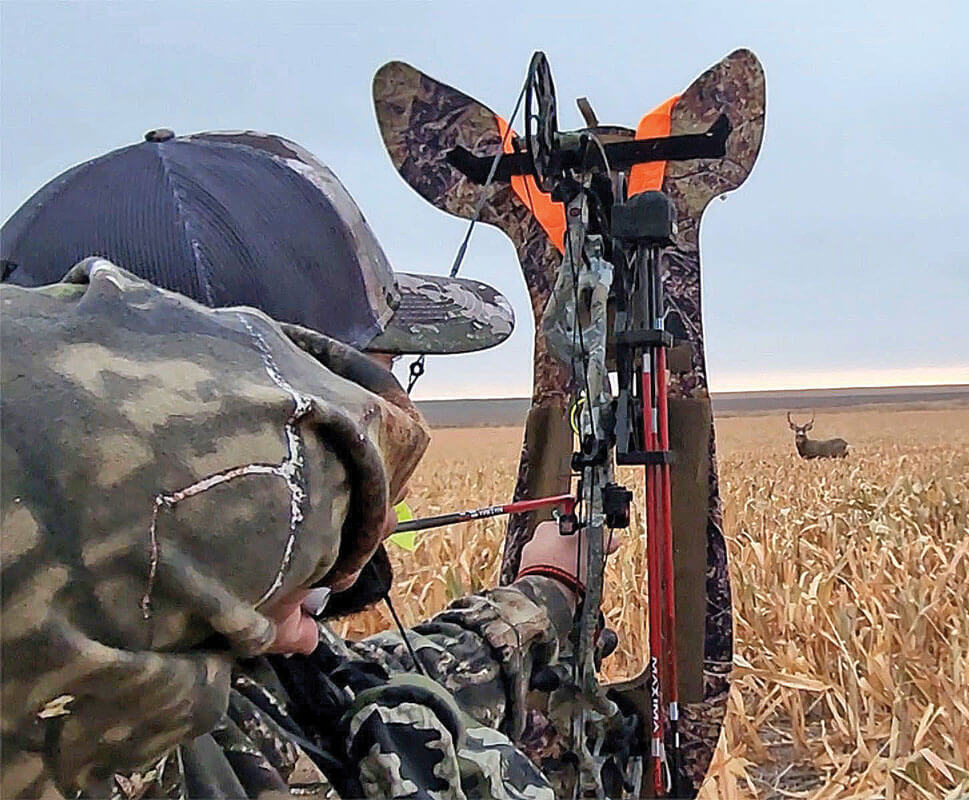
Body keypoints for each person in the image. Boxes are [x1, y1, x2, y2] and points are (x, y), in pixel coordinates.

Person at [1, 130, 609, 799]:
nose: (388, 448)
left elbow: (362, 703)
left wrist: (545, 593)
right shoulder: (102, 759)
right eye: (353, 422)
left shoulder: (191, 682)